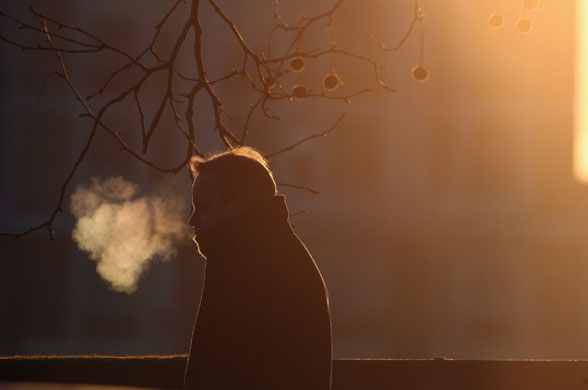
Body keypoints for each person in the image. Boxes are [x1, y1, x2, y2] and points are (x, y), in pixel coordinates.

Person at [182, 147, 333, 390]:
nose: (193, 220)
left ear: (239, 204)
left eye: (204, 207)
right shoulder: (250, 256)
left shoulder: (261, 266)